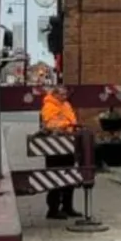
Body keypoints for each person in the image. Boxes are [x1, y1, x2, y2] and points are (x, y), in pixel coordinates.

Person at [38, 80, 81, 221]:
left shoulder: (66, 105)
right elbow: (51, 124)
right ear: (55, 94)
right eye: (62, 94)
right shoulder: (49, 106)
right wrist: (68, 124)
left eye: (66, 94)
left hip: (67, 143)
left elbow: (71, 120)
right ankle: (53, 209)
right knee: (54, 177)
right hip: (55, 146)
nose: (65, 96)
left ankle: (67, 207)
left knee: (69, 176)